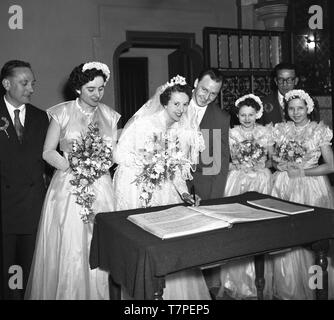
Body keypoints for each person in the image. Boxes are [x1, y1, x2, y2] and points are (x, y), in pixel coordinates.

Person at [25, 62, 120, 300]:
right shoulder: (62, 113)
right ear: (78, 88)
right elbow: (48, 152)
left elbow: (113, 154)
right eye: (91, 89)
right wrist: (71, 165)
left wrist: (100, 164)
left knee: (99, 243)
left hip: (100, 186)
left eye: (101, 88)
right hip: (68, 186)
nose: (97, 94)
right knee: (72, 245)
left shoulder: (110, 116)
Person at [113, 75, 210, 300]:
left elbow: (175, 171)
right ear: (165, 102)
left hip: (165, 190)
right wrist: (147, 162)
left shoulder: (179, 131)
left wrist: (185, 193)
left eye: (185, 104)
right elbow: (118, 155)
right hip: (139, 188)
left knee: (171, 247)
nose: (181, 109)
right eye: (176, 103)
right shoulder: (143, 124)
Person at [270, 89, 334, 299]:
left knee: (313, 241)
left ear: (309, 108)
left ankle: (317, 288)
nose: (296, 113)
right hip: (284, 186)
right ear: (286, 110)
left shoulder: (319, 131)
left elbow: (331, 166)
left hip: (311, 186)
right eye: (291, 108)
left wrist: (303, 172)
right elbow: (272, 159)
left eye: (300, 108)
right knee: (286, 238)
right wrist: (280, 164)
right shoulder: (280, 130)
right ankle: (290, 286)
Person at [216, 94, 274, 300]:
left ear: (257, 114)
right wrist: (237, 165)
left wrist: (261, 165)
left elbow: (272, 160)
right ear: (237, 115)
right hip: (238, 179)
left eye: (251, 115)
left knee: (261, 226)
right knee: (238, 226)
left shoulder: (265, 132)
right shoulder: (231, 134)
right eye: (243, 115)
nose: (247, 119)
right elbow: (224, 161)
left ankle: (259, 280)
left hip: (260, 179)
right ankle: (237, 281)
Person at [0, 60, 49, 299]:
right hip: (4, 209)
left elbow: (51, 161)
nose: (31, 88)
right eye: (24, 83)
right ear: (7, 84)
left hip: (32, 207)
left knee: (30, 272)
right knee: (6, 275)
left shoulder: (42, 118)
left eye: (32, 83)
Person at [187, 68, 230, 201]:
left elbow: (217, 165)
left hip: (200, 188)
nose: (206, 97)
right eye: (204, 90)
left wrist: (214, 200)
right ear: (195, 83)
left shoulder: (219, 118)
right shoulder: (175, 103)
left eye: (213, 94)